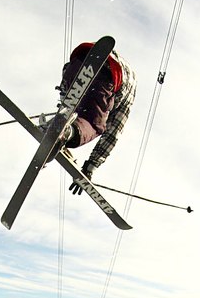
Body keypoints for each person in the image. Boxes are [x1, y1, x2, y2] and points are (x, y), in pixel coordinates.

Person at [43, 41, 136, 194]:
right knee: (93, 125)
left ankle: (60, 131)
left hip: (78, 61)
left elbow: (68, 103)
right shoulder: (124, 101)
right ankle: (66, 133)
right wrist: (90, 167)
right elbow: (113, 133)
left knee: (72, 112)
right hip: (107, 74)